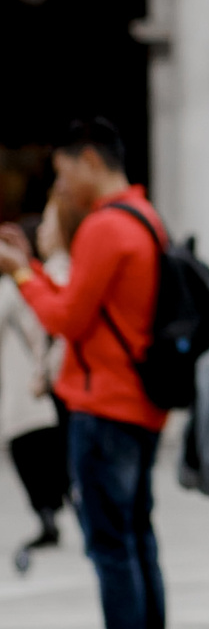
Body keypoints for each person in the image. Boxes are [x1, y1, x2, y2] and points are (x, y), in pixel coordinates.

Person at [0, 118, 175, 629]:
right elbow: (87, 304)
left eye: (64, 171)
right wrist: (31, 266)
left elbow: (68, 318)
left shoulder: (103, 227)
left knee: (111, 549)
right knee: (138, 539)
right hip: (138, 402)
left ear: (90, 160)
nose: (62, 185)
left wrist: (20, 277)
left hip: (102, 407)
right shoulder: (146, 218)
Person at [3, 205, 68, 575]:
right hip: (34, 383)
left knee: (33, 451)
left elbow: (56, 318)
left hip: (33, 385)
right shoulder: (34, 277)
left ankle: (50, 516)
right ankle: (52, 514)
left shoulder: (37, 278)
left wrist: (17, 269)